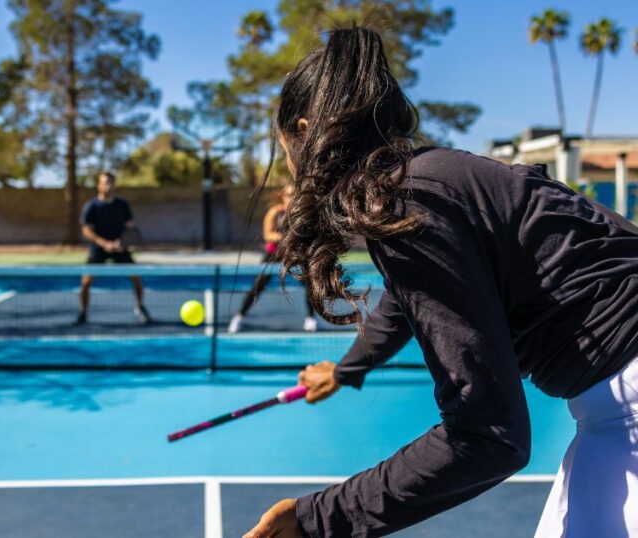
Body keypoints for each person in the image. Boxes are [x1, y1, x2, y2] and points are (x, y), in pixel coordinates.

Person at [243, 27, 638, 538]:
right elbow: (404, 302)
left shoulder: (411, 202)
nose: (290, 176)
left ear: (304, 132)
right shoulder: (431, 180)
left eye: (286, 153)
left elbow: (488, 434)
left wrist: (317, 521)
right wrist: (346, 370)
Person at [228, 183, 317, 333]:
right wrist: (287, 236)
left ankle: (310, 319)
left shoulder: (302, 214)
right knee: (258, 285)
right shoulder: (275, 213)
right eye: (288, 194)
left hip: (296, 254)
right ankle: (239, 317)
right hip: (274, 255)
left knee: (310, 287)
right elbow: (267, 234)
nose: (292, 197)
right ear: (283, 196)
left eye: (295, 194)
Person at [76, 171, 151, 325]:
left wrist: (122, 242)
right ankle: (83, 313)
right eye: (104, 182)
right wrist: (105, 244)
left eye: (110, 182)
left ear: (114, 185)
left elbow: (130, 227)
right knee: (85, 282)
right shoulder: (91, 206)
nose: (107, 185)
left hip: (120, 249)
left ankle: (140, 307)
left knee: (136, 278)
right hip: (98, 250)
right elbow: (87, 231)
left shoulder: (122, 205)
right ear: (99, 185)